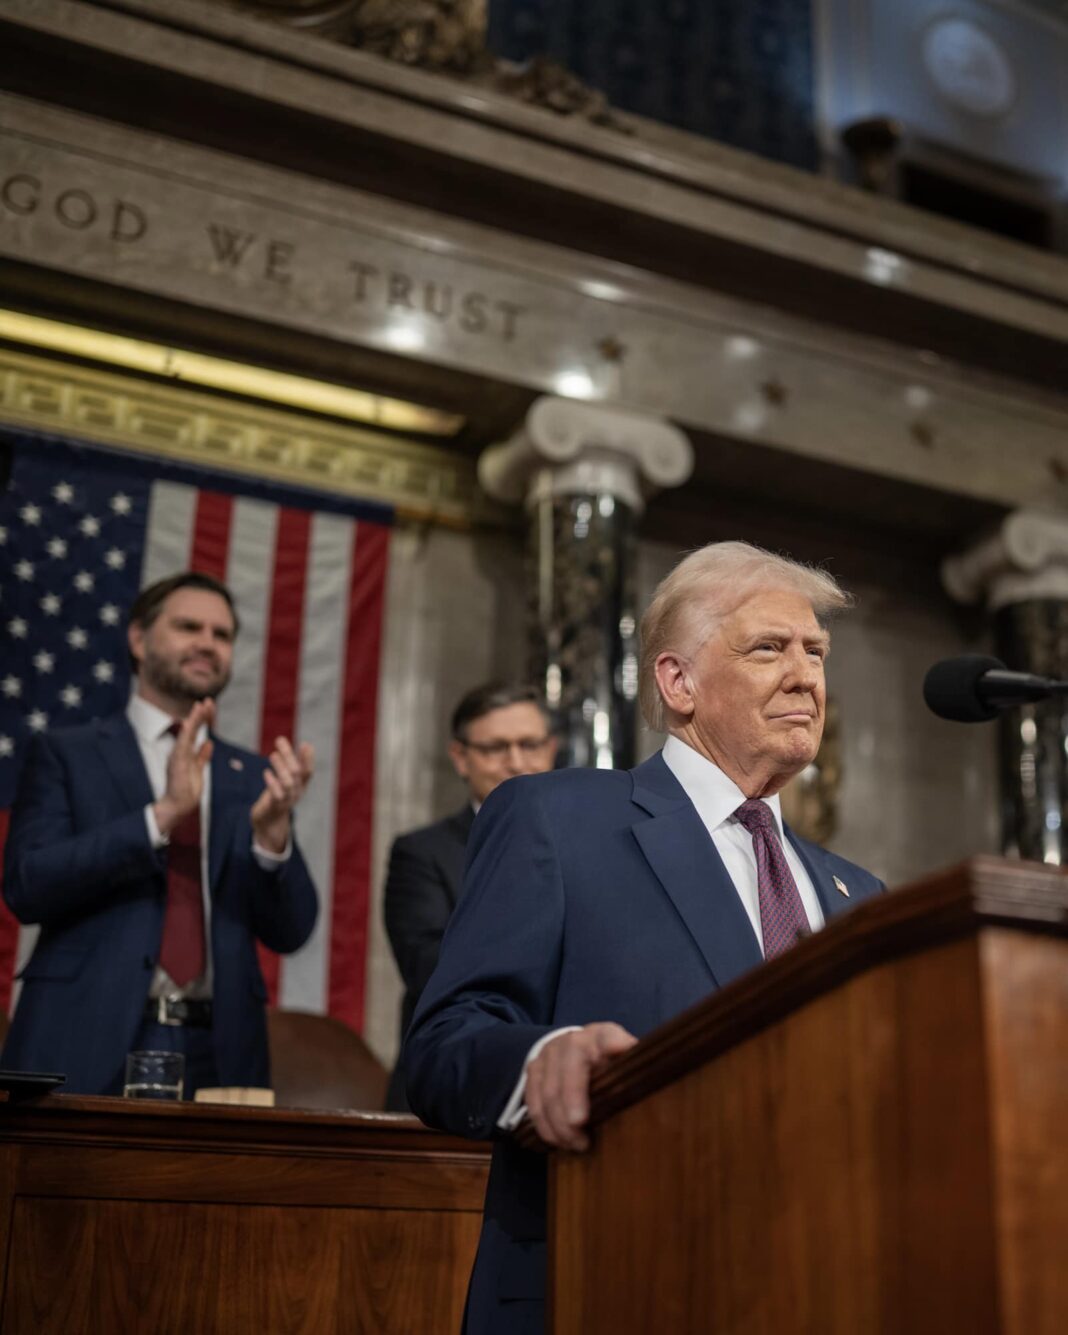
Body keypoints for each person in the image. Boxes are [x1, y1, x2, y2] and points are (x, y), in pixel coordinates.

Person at [404, 541, 885, 1335]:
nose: (806, 675)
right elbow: (443, 1044)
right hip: (612, 1280)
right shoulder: (557, 820)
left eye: (816, 652)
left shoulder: (857, 892)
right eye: (769, 648)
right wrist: (539, 1059)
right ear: (678, 681)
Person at [2, 571, 318, 1096]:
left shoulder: (251, 776)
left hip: (218, 1054)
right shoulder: (70, 753)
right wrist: (163, 815)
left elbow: (293, 930)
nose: (207, 644)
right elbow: (27, 885)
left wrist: (271, 839)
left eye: (221, 635)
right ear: (138, 639)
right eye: (188, 626)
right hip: (83, 1037)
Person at [383, 682, 557, 1110]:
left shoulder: (590, 846)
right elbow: (430, 970)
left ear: (552, 749)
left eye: (530, 744)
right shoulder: (422, 853)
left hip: (560, 1090)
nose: (516, 762)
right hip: (452, 1091)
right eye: (496, 748)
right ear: (460, 757)